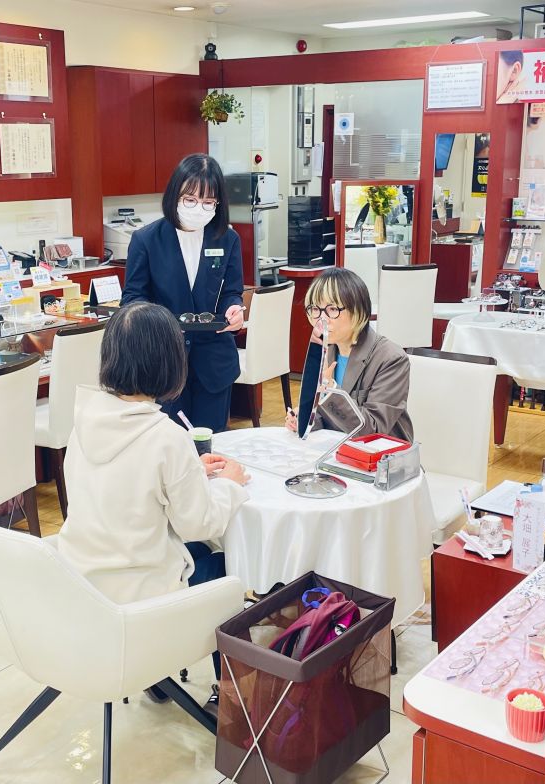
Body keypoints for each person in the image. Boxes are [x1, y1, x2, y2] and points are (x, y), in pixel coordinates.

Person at [57, 301, 249, 710]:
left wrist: (188, 473)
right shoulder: (165, 437)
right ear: (168, 362)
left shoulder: (85, 421)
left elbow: (124, 490)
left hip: (82, 588)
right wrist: (230, 485)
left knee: (197, 555)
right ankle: (229, 695)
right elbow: (200, 523)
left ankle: (157, 676)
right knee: (226, 567)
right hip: (141, 601)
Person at [121, 153, 245, 433]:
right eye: (190, 199)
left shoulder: (227, 238)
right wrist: (160, 325)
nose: (198, 208)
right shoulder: (146, 239)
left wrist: (234, 308)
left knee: (212, 445)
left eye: (208, 202)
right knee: (170, 446)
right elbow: (132, 300)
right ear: (175, 195)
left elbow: (232, 291)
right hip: (163, 364)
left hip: (213, 363)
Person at [285, 267, 413, 441]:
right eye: (315, 308)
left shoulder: (391, 358)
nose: (322, 319)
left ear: (357, 311)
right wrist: (305, 419)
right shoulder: (326, 349)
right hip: (337, 447)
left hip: (381, 453)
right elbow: (330, 416)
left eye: (332, 309)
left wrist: (330, 390)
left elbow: (372, 430)